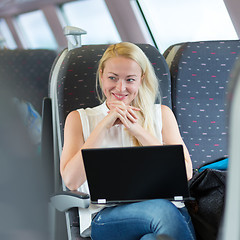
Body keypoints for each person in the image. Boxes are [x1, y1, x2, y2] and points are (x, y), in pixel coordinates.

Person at [60, 42, 196, 240]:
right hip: (109, 217)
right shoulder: (79, 119)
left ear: (141, 80)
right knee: (161, 210)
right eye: (112, 78)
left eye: (129, 79)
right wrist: (104, 126)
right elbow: (72, 181)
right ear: (101, 76)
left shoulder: (162, 115)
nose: (120, 88)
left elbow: (185, 173)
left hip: (171, 214)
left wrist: (137, 130)